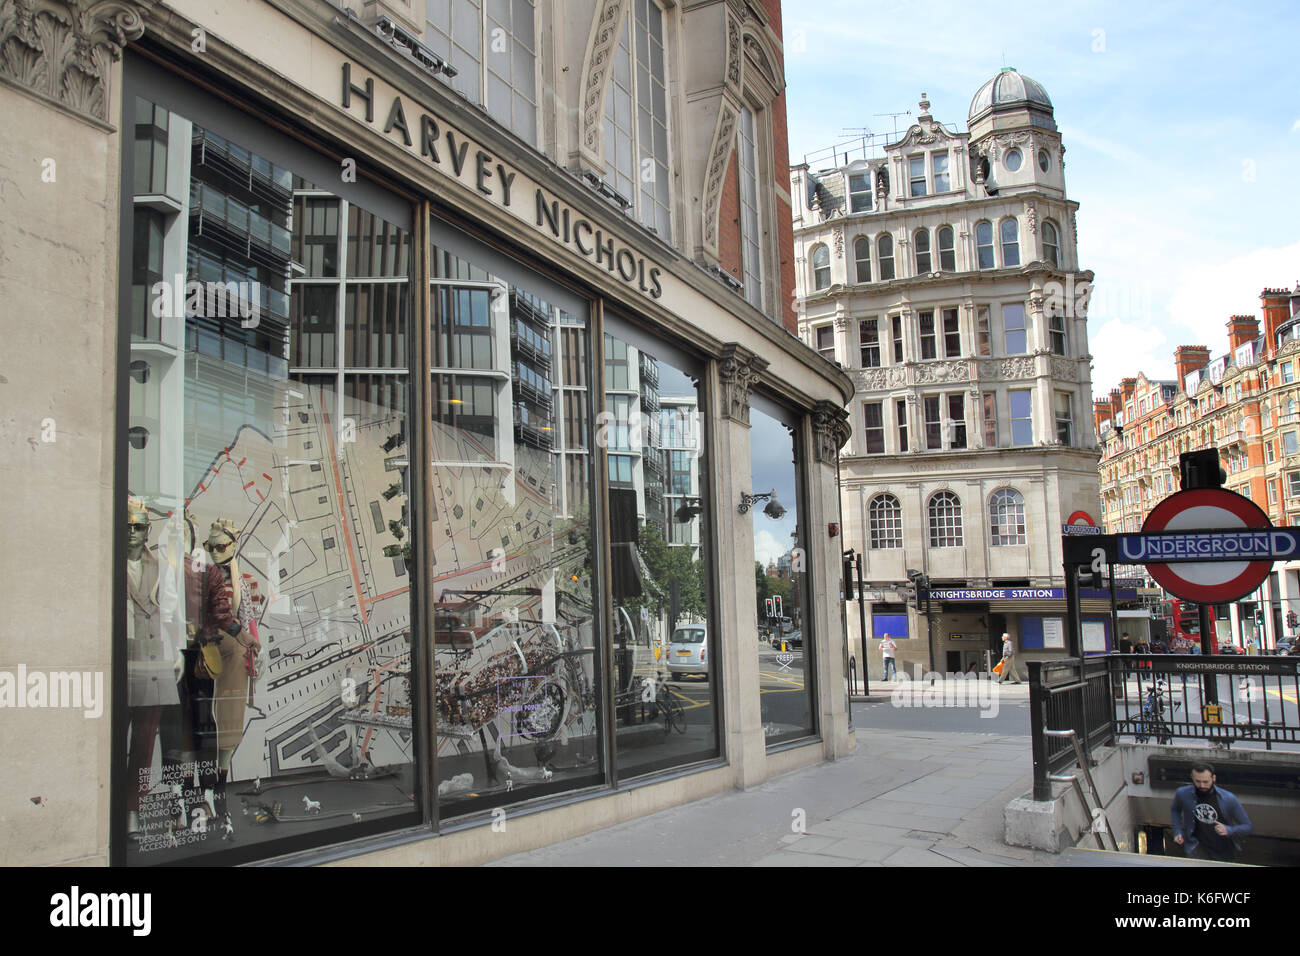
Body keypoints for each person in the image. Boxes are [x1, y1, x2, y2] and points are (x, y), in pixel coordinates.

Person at [1170, 762, 1252, 863]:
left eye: (1206, 782)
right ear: (1192, 778)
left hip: (1223, 850)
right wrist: (1177, 831)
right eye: (1198, 781)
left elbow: (1247, 827)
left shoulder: (1228, 798)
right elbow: (1175, 810)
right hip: (1196, 848)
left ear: (1214, 778)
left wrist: (1229, 830)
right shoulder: (1182, 793)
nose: (1202, 785)